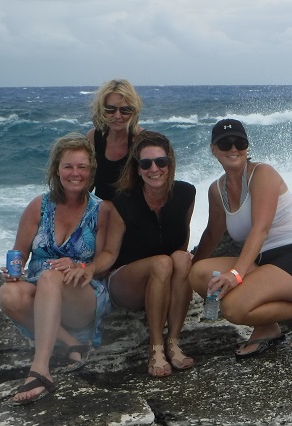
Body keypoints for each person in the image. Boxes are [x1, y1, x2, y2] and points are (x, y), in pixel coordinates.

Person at [189, 118, 292, 359]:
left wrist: (235, 274)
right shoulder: (217, 189)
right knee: (198, 274)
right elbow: (213, 233)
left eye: (240, 143)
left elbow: (260, 229)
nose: (233, 149)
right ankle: (266, 327)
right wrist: (187, 267)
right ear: (213, 149)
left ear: (247, 147)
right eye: (225, 144)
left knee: (233, 308)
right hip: (266, 263)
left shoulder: (262, 173)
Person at [66, 130, 196, 378]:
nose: (154, 169)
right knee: (162, 262)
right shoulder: (123, 202)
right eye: (145, 164)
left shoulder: (186, 194)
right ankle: (155, 348)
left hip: (164, 276)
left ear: (170, 164)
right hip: (125, 281)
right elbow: (110, 252)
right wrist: (89, 268)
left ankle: (174, 341)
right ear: (137, 168)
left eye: (161, 161)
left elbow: (182, 241)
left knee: (182, 258)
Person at [0, 132, 112, 405]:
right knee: (8, 294)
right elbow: (19, 254)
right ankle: (72, 342)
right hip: (43, 292)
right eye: (68, 166)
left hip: (82, 295)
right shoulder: (39, 206)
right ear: (57, 170)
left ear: (91, 171)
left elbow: (104, 264)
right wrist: (12, 272)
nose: (75, 173)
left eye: (82, 167)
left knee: (50, 278)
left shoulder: (101, 210)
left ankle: (40, 369)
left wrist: (79, 265)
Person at [88, 78, 143, 200]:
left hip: (133, 211)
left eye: (125, 110)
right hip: (101, 209)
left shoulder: (142, 140)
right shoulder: (94, 138)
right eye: (110, 109)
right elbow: (88, 183)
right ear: (102, 110)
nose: (117, 116)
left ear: (133, 111)